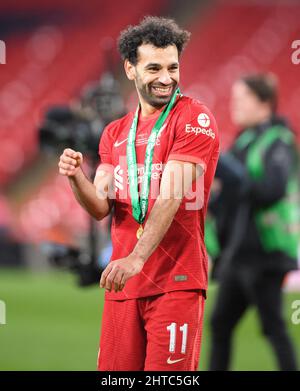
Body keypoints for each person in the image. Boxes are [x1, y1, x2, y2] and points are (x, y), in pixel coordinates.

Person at [58, 16, 219, 371]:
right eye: (154, 68)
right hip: (124, 284)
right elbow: (101, 205)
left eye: (173, 67)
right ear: (130, 69)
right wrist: (76, 178)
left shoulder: (194, 118)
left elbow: (172, 195)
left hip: (175, 282)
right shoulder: (115, 133)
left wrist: (137, 258)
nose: (167, 78)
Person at [208, 74, 299, 371]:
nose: (234, 104)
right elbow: (228, 195)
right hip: (240, 253)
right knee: (220, 324)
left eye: (241, 98)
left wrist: (233, 175)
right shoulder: (244, 140)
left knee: (272, 327)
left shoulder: (280, 141)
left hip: (266, 253)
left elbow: (272, 190)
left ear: (264, 103)